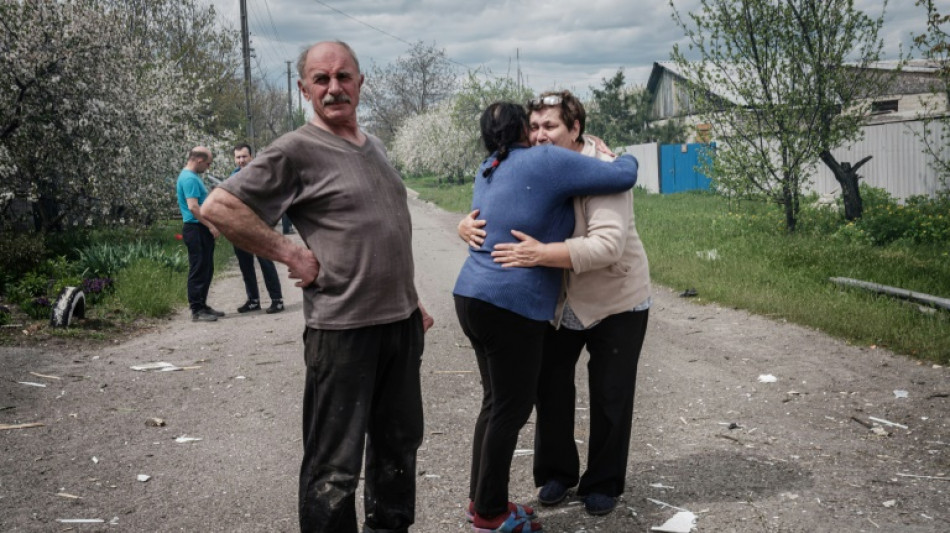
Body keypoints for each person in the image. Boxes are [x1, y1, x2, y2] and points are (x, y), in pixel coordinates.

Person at [201, 41, 433, 533]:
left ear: (360, 82)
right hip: (343, 331)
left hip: (400, 325)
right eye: (321, 80)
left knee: (398, 446)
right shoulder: (295, 149)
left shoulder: (374, 146)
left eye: (343, 77)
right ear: (304, 88)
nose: (334, 88)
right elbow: (219, 207)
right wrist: (289, 252)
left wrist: (412, 302)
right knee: (334, 466)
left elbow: (383, 231)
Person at [459, 90, 651, 516]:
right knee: (549, 389)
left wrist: (540, 254)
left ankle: (602, 482)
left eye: (551, 126)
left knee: (610, 394)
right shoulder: (531, 164)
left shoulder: (601, 169)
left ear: (575, 128)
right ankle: (557, 474)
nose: (541, 135)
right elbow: (498, 208)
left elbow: (608, 246)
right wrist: (464, 225)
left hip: (615, 298)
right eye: (534, 127)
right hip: (559, 302)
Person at [229, 143, 284, 314]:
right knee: (245, 264)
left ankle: (277, 300)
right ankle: (253, 300)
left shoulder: (260, 174)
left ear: (251, 156)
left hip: (259, 226)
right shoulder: (233, 176)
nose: (241, 160)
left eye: (244, 156)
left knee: (266, 263)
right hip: (240, 227)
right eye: (238, 157)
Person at [175, 146, 224, 322]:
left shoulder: (193, 177)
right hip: (195, 228)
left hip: (199, 228)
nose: (208, 168)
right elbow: (193, 207)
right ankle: (196, 309)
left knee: (206, 268)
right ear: (199, 160)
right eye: (208, 163)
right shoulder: (189, 178)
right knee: (198, 268)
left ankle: (203, 304)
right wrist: (210, 226)